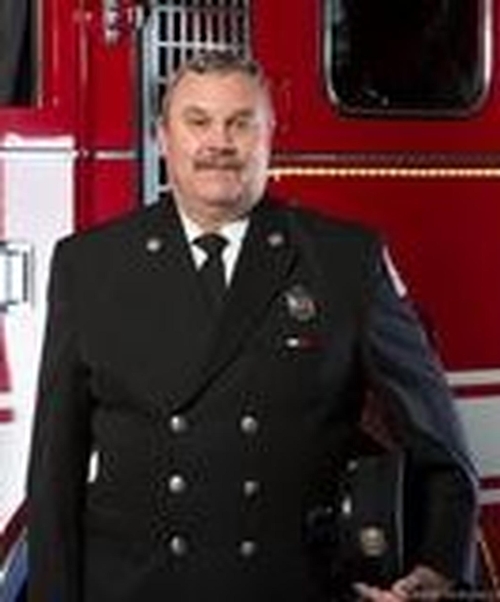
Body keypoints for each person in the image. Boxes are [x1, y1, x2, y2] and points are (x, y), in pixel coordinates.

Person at [27, 50, 478, 602]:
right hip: (134, 588)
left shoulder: (344, 259)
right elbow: (54, 470)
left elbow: (438, 440)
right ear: (163, 138)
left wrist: (439, 562)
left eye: (240, 123)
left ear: (270, 136)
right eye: (198, 122)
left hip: (291, 586)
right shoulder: (88, 265)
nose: (219, 142)